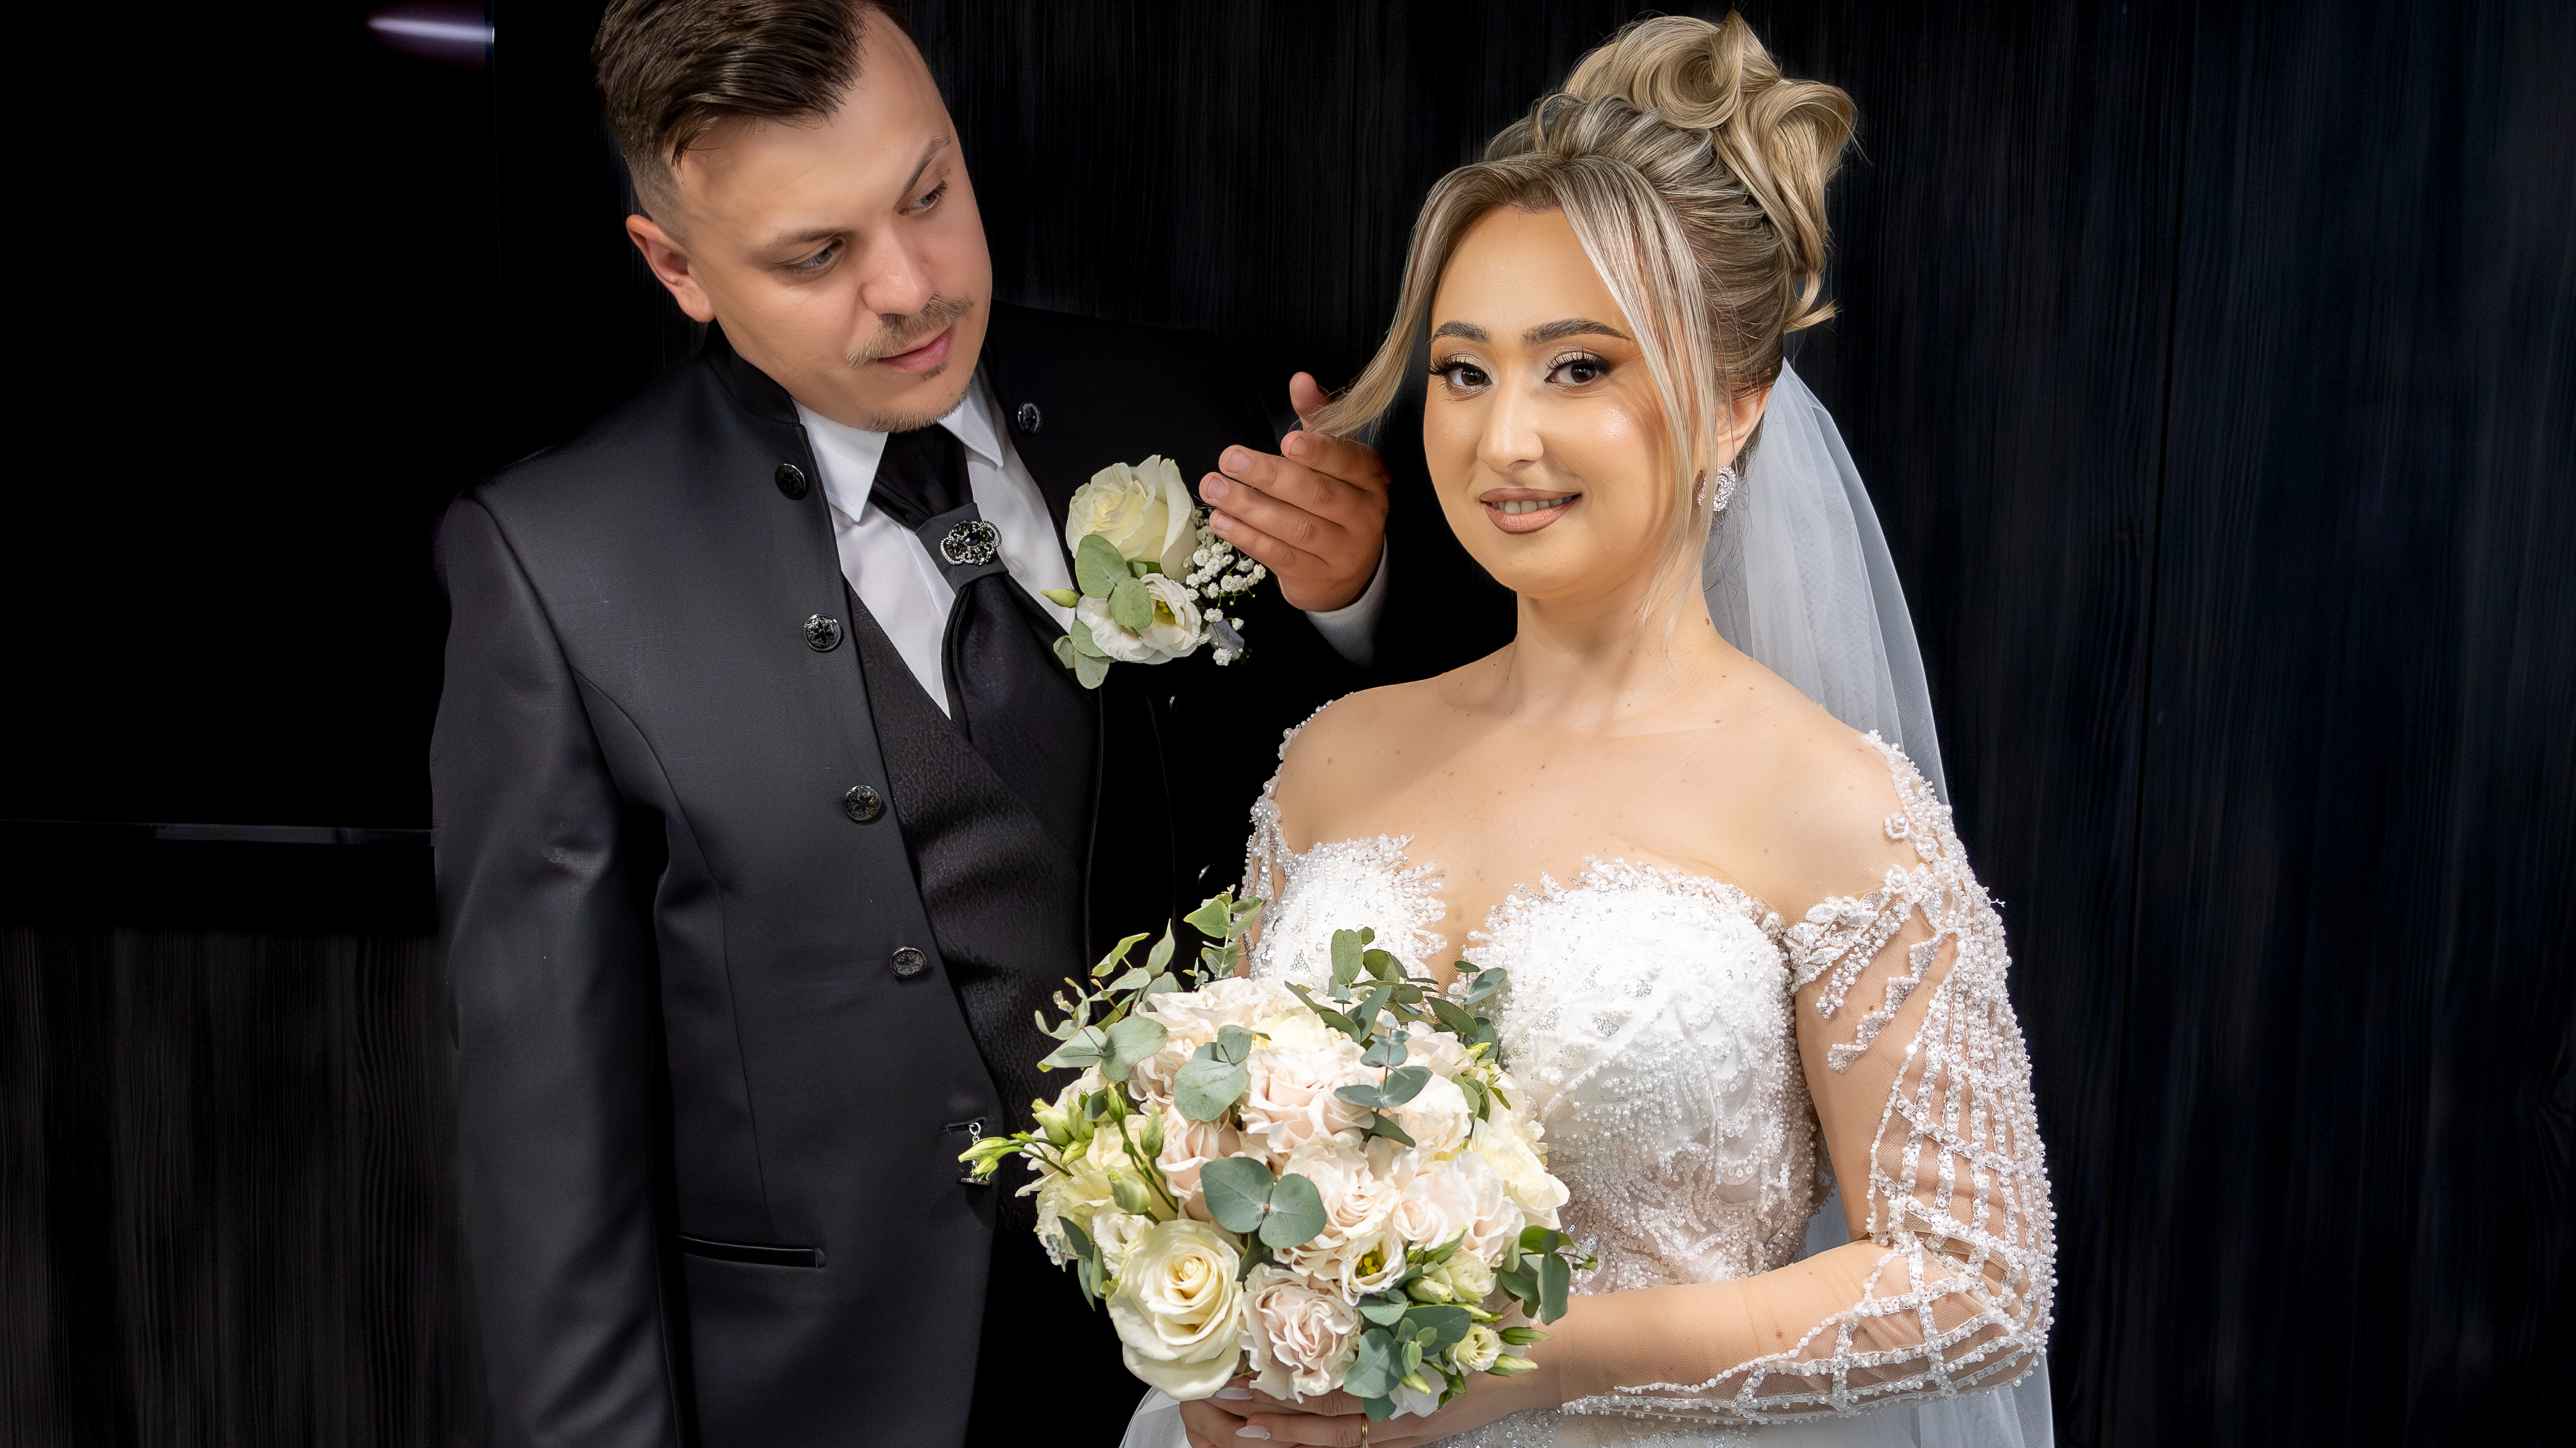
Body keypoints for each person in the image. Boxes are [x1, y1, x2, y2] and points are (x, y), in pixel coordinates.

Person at [431, 3, 1393, 1445]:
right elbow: (549, 1141)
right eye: (816, 256)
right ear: (677, 268)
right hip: (821, 1387)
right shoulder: (555, 559)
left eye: (929, 194)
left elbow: (1370, 828)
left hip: (1219, 1374)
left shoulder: (1179, 400)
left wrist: (1352, 599)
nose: (910, 287)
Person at [1141, 14, 2055, 1447]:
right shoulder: (1334, 759)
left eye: (1576, 368)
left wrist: (1539, 1359)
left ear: (1733, 408)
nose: (1502, 438)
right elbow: (1231, 1152)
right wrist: (1229, 1364)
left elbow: (1973, 1284)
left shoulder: (1832, 806)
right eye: (1463, 371)